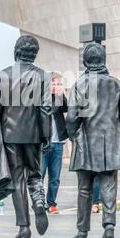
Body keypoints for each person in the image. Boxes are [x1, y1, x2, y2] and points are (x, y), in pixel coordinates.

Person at [67, 43, 120, 238]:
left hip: (85, 141)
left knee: (84, 189)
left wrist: (74, 136)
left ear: (86, 61)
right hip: (110, 142)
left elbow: (72, 118)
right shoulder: (116, 84)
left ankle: (82, 231)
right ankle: (109, 226)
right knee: (108, 186)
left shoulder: (80, 84)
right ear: (103, 60)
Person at [0, 35, 51, 238]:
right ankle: (39, 202)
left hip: (10, 135)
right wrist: (46, 135)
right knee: (35, 174)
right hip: (33, 134)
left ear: (16, 51)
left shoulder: (2, 75)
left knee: (17, 181)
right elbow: (45, 109)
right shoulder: (42, 75)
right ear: (35, 54)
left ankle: (24, 227)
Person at [41, 73, 68, 215]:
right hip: (43, 144)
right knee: (40, 175)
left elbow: (66, 108)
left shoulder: (59, 99)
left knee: (55, 178)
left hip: (57, 144)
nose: (56, 87)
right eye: (54, 84)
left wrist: (61, 95)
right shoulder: (43, 99)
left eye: (59, 84)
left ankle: (51, 204)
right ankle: (39, 203)